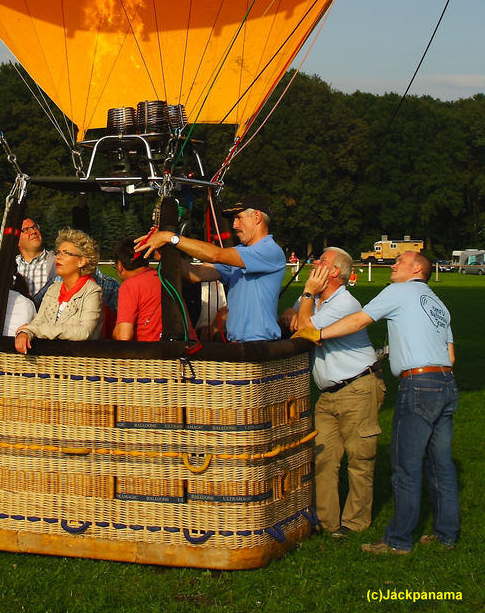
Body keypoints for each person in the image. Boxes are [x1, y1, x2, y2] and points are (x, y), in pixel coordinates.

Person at [295, 250, 458, 554]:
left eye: (401, 261)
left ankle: (398, 541)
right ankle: (447, 535)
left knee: (405, 466)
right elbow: (451, 356)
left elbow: (358, 321)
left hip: (418, 384)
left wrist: (316, 334)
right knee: (441, 466)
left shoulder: (399, 290)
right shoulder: (439, 304)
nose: (393, 265)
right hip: (446, 383)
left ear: (417, 269)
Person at [280, 247, 385, 537]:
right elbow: (293, 314)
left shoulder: (345, 303)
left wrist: (306, 296)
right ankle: (326, 522)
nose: (315, 263)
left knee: (360, 458)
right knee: (323, 455)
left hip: (359, 388)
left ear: (335, 272)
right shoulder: (316, 301)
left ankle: (355, 522)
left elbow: (303, 328)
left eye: (322, 261)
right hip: (327, 394)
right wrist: (298, 306)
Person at [136, 194, 286, 342]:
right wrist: (165, 254)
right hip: (237, 346)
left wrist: (170, 237)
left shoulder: (270, 251)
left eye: (238, 218)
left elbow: (216, 255)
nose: (235, 225)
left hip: (259, 347)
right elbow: (196, 274)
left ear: (257, 217)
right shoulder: (241, 254)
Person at [14, 229, 103, 352]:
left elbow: (83, 332)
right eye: (58, 252)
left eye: (66, 253)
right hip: (49, 363)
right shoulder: (53, 289)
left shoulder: (92, 292)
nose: (59, 257)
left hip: (78, 365)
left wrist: (37, 330)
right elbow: (38, 321)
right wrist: (25, 333)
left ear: (82, 261)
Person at [112, 237, 196, 341]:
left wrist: (115, 331)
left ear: (120, 266)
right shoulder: (164, 277)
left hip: (155, 350)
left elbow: (124, 337)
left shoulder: (129, 285)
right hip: (189, 345)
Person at [16, 219, 57, 299]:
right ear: (17, 241)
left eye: (34, 227)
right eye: (26, 230)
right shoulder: (10, 268)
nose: (33, 232)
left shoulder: (56, 262)